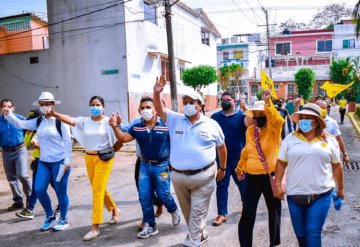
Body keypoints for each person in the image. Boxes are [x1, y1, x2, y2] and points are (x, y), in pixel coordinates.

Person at [153, 76, 227, 247]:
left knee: (197, 213)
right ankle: (200, 233)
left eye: (191, 101)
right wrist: (157, 92)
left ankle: (193, 241)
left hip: (204, 176)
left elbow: (221, 148)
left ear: (200, 105)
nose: (187, 104)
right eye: (184, 101)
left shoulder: (211, 124)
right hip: (179, 178)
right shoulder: (175, 119)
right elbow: (159, 108)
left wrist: (222, 167)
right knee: (189, 213)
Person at [49, 95, 122, 240]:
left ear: (103, 107)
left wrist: (117, 126)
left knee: (97, 191)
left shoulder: (108, 121)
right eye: (92, 105)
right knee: (98, 187)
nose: (95, 107)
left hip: (104, 158)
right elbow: (70, 119)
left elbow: (119, 140)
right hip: (89, 157)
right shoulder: (85, 121)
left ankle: (95, 227)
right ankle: (114, 210)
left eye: (98, 105)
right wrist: (55, 114)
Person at [110, 96, 181, 239]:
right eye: (142, 108)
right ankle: (151, 225)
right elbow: (123, 138)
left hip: (162, 166)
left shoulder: (166, 125)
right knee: (144, 196)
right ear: (138, 110)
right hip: (144, 166)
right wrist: (114, 127)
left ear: (155, 109)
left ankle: (173, 210)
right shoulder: (137, 126)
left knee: (163, 195)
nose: (145, 110)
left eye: (148, 107)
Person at [274, 103, 344, 247]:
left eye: (308, 117)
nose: (304, 120)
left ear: (317, 121)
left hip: (321, 194)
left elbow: (337, 166)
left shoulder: (330, 141)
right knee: (301, 234)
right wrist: (277, 185)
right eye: (302, 117)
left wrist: (341, 189)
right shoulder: (290, 139)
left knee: (313, 233)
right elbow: (281, 162)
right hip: (295, 195)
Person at [2, 92, 72, 231]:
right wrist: (8, 114)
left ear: (53, 104)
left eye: (48, 104)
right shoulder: (39, 121)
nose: (45, 106)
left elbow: (68, 141)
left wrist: (68, 161)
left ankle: (64, 219)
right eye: (43, 104)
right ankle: (50, 216)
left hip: (60, 162)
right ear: (40, 106)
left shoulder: (61, 120)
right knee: (39, 189)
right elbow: (21, 123)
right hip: (44, 162)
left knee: (60, 191)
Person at [235, 90, 284, 247]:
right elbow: (247, 151)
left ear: (266, 114)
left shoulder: (273, 130)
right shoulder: (250, 130)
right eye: (254, 114)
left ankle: (274, 243)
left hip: (271, 176)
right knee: (247, 212)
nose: (256, 117)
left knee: (274, 211)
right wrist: (240, 167)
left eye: (260, 114)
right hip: (252, 177)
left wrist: (268, 103)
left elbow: (278, 120)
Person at [210, 92, 251, 226]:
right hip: (221, 159)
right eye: (223, 100)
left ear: (234, 101)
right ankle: (222, 214)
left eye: (228, 99)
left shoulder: (241, 116)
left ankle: (247, 207)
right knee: (221, 185)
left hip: (239, 159)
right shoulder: (215, 117)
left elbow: (250, 125)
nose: (225, 102)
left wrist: (246, 110)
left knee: (243, 184)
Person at [0, 99, 32, 211]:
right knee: (11, 178)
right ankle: (18, 201)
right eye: (3, 106)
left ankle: (30, 198)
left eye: (8, 106)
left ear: (13, 107)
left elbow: (30, 129)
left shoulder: (20, 118)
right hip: (6, 152)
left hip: (20, 150)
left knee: (23, 175)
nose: (6, 108)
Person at [316, 100, 349, 164]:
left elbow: (339, 139)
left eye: (323, 108)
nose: (321, 110)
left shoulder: (332, 122)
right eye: (319, 108)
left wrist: (345, 154)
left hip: (329, 156)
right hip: (315, 156)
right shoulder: (312, 121)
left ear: (327, 109)